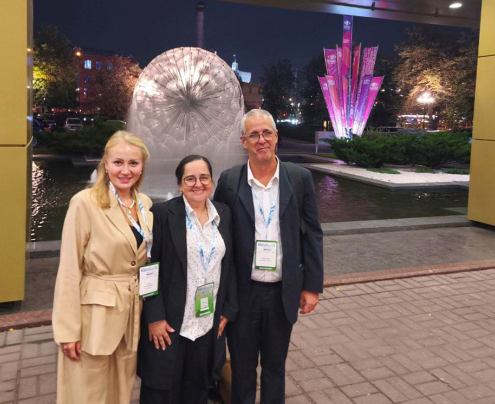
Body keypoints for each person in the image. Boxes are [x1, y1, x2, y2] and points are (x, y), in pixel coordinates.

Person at [213, 109, 324, 404]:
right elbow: (217, 237)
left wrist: (312, 286)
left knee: (275, 368)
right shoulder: (229, 181)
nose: (261, 140)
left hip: (281, 292)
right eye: (254, 135)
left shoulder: (299, 178)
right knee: (242, 369)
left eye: (267, 133)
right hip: (242, 294)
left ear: (276, 137)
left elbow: (312, 233)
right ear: (244, 141)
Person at [52, 131, 153, 404]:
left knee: (121, 392)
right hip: (94, 316)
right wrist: (68, 330)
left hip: (132, 315)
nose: (125, 170)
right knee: (88, 394)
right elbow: (69, 268)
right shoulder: (85, 202)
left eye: (133, 163)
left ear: (142, 166)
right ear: (105, 164)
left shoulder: (144, 204)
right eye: (118, 162)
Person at [138, 155, 238, 404]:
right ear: (180, 184)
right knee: (161, 391)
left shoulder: (223, 214)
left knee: (197, 391)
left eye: (204, 177)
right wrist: (154, 317)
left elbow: (230, 265)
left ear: (212, 182)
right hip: (170, 325)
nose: (198, 184)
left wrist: (228, 309)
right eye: (190, 179)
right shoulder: (162, 214)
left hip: (207, 323)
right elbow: (149, 269)